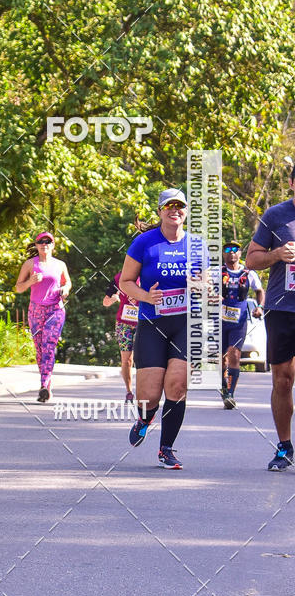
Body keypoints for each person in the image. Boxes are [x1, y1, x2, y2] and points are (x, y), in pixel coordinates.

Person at [119, 188, 206, 470]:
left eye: (180, 205)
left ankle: (166, 449)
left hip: (185, 323)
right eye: (169, 205)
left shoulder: (197, 245)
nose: (175, 210)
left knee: (177, 386)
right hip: (152, 323)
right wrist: (146, 296)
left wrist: (202, 287)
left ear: (186, 210)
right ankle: (145, 418)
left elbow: (207, 285)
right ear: (159, 211)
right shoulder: (144, 243)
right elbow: (126, 282)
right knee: (149, 396)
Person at [246, 165, 295, 471]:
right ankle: (284, 446)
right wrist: (277, 254)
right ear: (291, 183)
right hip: (282, 308)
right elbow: (252, 258)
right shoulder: (275, 215)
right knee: (283, 379)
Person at [15, 232, 71, 402]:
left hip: (55, 310)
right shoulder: (30, 264)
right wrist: (30, 282)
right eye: (41, 241)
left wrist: (65, 290)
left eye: (48, 241)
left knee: (48, 346)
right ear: (36, 245)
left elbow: (67, 282)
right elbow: (18, 288)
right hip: (36, 310)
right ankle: (47, 387)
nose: (44, 244)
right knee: (40, 350)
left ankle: (43, 385)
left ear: (53, 245)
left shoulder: (60, 264)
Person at [220, 241, 264, 409]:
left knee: (234, 355)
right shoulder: (217, 272)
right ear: (224, 254)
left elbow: (260, 291)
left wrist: (259, 307)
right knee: (219, 359)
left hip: (239, 322)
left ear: (240, 254)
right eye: (228, 250)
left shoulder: (248, 273)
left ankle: (230, 394)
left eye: (235, 250)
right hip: (219, 322)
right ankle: (224, 387)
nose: (231, 253)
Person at [102, 272, 139, 402]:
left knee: (143, 359)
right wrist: (112, 299)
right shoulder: (119, 277)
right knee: (127, 360)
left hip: (145, 322)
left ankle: (144, 389)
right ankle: (129, 392)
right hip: (124, 323)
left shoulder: (149, 274)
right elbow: (105, 302)